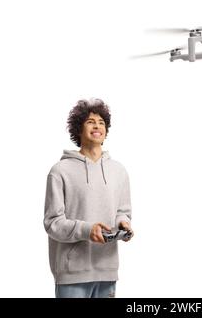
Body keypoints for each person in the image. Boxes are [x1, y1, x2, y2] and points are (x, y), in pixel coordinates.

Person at [44, 98, 133, 298]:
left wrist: (123, 224)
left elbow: (123, 212)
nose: (97, 126)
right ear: (78, 129)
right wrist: (87, 230)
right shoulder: (60, 171)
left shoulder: (119, 171)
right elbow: (52, 223)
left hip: (107, 269)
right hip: (72, 273)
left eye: (101, 122)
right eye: (90, 121)